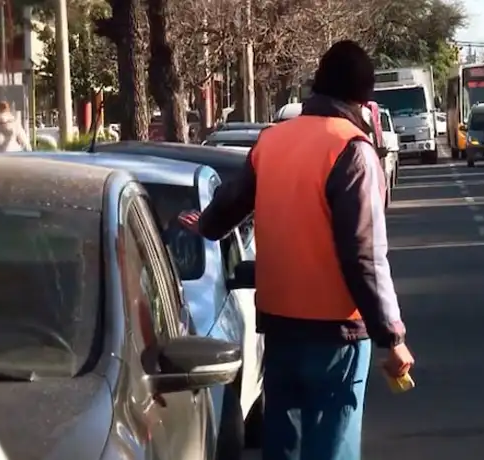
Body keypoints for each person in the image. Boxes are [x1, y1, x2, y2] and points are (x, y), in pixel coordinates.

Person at [178, 40, 413, 460]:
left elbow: (231, 203)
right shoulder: (353, 150)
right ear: (364, 95)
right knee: (331, 444)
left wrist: (207, 227)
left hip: (281, 325)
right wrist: (390, 336)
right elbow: (364, 255)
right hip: (337, 332)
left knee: (283, 442)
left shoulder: (273, 141)